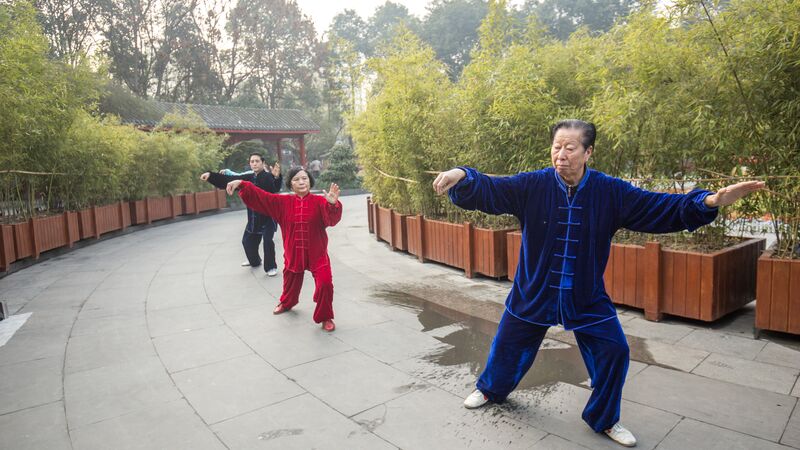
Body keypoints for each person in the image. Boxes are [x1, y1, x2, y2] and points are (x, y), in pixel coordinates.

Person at [432, 119, 764, 447]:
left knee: (614, 351)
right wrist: (462, 174)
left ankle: (603, 418)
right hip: (534, 291)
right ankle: (490, 390)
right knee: (508, 345)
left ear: (588, 152)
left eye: (570, 147)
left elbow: (657, 206)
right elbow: (492, 190)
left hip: (585, 295)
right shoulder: (533, 185)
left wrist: (709, 202)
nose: (561, 154)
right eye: (556, 147)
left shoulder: (610, 192)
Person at [225, 168, 342, 332]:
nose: (301, 182)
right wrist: (242, 184)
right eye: (296, 179)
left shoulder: (320, 202)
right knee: (290, 283)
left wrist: (332, 204)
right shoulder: (282, 202)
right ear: (290, 184)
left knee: (325, 284)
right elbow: (262, 197)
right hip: (293, 252)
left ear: (310, 181)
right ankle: (287, 303)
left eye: (304, 178)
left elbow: (332, 220)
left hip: (317, 253)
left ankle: (326, 316)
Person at [200, 153, 282, 276]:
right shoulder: (247, 177)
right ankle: (255, 261)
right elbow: (228, 180)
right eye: (252, 161)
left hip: (268, 217)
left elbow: (275, 188)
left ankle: (271, 267)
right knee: (247, 242)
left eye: (257, 161)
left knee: (267, 242)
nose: (254, 163)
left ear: (263, 163)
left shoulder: (268, 177)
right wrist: (210, 176)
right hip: (253, 217)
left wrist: (277, 177)